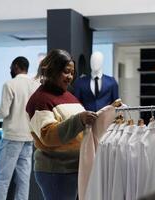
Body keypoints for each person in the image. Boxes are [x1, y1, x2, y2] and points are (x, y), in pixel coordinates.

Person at [26, 49, 98, 200]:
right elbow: (48, 135)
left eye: (72, 73)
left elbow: (80, 129)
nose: (70, 77)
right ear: (52, 70)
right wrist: (79, 120)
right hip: (56, 170)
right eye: (66, 72)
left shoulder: (69, 96)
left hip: (73, 169)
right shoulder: (40, 100)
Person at [0, 56, 39, 200]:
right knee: (23, 182)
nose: (10, 70)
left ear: (16, 66)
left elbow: (4, 112)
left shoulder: (9, 84)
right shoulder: (35, 85)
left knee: (1, 180)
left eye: (11, 67)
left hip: (12, 137)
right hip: (28, 138)